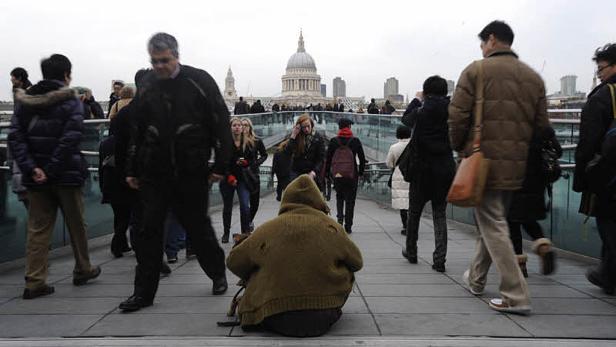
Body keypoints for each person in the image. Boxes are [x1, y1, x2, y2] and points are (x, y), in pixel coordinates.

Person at [119, 32, 231, 312]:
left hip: (190, 171)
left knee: (198, 228)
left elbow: (220, 123)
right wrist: (132, 168)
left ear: (176, 56)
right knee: (148, 233)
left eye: (164, 61)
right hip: (154, 171)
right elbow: (137, 130)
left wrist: (220, 165)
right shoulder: (147, 84)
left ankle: (217, 273)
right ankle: (143, 294)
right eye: (154, 61)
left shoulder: (199, 81)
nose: (159, 66)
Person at [449, 20, 550, 314]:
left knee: (492, 224)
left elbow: (457, 118)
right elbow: (542, 127)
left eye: (482, 43)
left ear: (491, 39)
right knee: (492, 221)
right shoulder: (534, 77)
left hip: (483, 162)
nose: (481, 49)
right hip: (517, 165)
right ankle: (477, 279)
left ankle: (516, 295)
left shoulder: (476, 70)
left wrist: (461, 149)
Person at [9, 54, 101, 299]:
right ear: (66, 75)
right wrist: (51, 168)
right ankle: (83, 268)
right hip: (66, 174)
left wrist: (32, 169)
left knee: (38, 229)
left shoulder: (24, 101)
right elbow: (71, 137)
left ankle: (34, 280)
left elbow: (15, 137)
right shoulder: (71, 102)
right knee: (76, 224)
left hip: (35, 179)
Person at [226, 174, 363, 337]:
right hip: (325, 316)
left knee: (258, 264)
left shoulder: (268, 229)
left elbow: (234, 262)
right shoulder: (332, 228)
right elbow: (357, 263)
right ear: (318, 200)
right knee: (346, 266)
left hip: (274, 316)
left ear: (286, 200)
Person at [573, 43, 616, 296]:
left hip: (609, 176)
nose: (599, 73)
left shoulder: (603, 96)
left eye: (602, 68)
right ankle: (608, 275)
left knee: (609, 224)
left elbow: (588, 142)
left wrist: (583, 177)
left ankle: (608, 274)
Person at [401, 77, 456, 273]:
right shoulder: (453, 109)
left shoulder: (422, 110)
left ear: (426, 91)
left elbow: (405, 120)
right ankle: (439, 259)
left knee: (414, 211)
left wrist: (416, 100)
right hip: (445, 168)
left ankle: (412, 250)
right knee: (439, 214)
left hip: (422, 168)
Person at [507, 127, 561, 277]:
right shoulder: (540, 124)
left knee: (512, 220)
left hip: (513, 176)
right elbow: (558, 150)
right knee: (527, 217)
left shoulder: (512, 123)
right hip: (537, 180)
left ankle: (519, 264)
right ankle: (544, 247)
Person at [324, 118, 366, 234]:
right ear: (349, 127)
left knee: (339, 196)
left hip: (337, 174)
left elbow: (328, 159)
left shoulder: (333, 141)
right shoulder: (355, 141)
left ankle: (340, 220)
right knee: (350, 200)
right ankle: (348, 225)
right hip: (352, 175)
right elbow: (362, 159)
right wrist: (361, 172)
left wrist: (327, 173)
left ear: (339, 127)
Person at [219, 117, 256, 243]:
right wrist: (229, 176)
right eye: (234, 125)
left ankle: (245, 232)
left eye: (239, 125)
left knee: (245, 206)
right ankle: (226, 232)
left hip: (242, 179)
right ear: (230, 128)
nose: (237, 127)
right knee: (227, 207)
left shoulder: (248, 143)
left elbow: (252, 161)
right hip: (227, 179)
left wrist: (246, 163)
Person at [9, 67, 33, 208]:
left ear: (19, 78)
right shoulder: (20, 92)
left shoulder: (26, 94)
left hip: (23, 142)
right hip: (23, 142)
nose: (11, 80)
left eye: (12, 78)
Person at [241, 118, 268, 230]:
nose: (244, 128)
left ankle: (249, 221)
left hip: (253, 175)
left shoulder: (256, 141)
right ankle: (246, 228)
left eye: (246, 125)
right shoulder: (237, 142)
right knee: (244, 205)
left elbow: (264, 154)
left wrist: (256, 164)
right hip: (242, 175)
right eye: (242, 125)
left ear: (250, 127)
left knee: (255, 204)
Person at [386, 125, 412, 235]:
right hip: (413, 175)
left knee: (402, 202)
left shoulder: (394, 147)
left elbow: (389, 163)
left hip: (399, 174)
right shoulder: (415, 146)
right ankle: (413, 224)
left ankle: (406, 225)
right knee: (412, 200)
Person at [285, 114, 325, 183]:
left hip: (312, 172)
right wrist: (293, 135)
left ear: (311, 125)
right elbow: (288, 152)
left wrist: (314, 172)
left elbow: (321, 158)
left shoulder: (318, 138)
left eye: (308, 126)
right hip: (297, 172)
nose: (306, 129)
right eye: (303, 127)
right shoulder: (297, 137)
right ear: (300, 127)